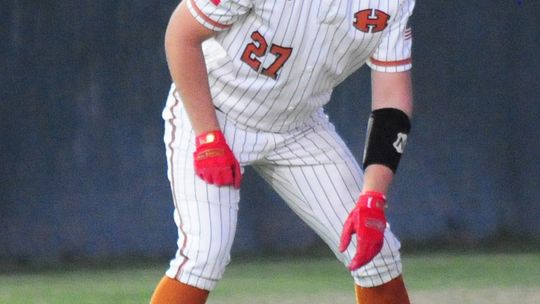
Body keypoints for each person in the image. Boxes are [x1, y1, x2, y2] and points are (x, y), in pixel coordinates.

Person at [150, 0, 415, 303]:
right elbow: (181, 35)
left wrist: (373, 196)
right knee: (203, 256)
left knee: (376, 255)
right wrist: (208, 136)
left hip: (298, 125)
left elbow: (392, 101)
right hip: (214, 109)